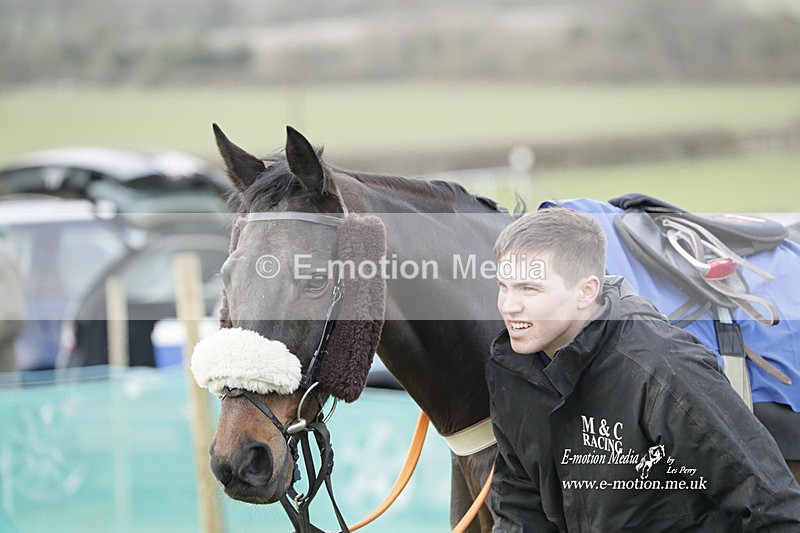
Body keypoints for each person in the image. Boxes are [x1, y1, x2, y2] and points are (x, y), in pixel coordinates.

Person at [485, 207, 800, 531]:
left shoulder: (664, 369)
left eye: (529, 289)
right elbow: (519, 508)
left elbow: (772, 506)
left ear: (586, 291)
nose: (508, 305)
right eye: (503, 286)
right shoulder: (512, 369)